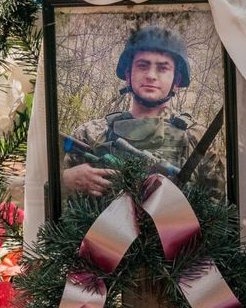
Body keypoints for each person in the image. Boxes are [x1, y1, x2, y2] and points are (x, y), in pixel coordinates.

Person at [61, 25, 216, 199]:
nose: (151, 75)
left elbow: (224, 209)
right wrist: (65, 181)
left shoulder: (199, 139)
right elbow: (52, 203)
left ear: (177, 80)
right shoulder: (90, 134)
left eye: (163, 68)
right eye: (142, 65)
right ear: (128, 75)